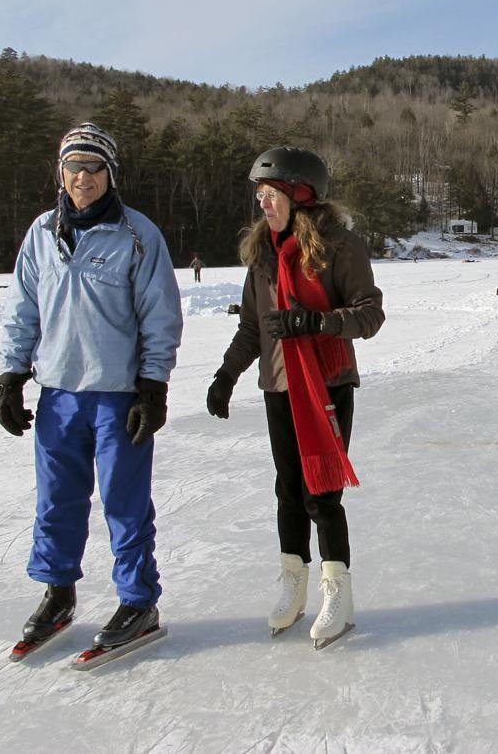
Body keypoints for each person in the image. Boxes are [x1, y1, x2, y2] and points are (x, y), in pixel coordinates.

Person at [0, 122, 183, 654]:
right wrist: (11, 374)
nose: (83, 177)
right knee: (56, 500)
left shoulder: (138, 235)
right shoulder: (40, 233)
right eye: (73, 167)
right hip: (58, 395)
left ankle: (138, 600)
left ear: (110, 174)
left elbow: (160, 315)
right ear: (60, 173)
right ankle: (59, 593)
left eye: (93, 167)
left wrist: (153, 385)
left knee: (124, 503)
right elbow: (22, 310)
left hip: (118, 395)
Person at [205, 147, 384, 649]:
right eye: (259, 195)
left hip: (327, 384)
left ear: (300, 197)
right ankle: (293, 587)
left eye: (271, 194)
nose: (262, 203)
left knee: (321, 495)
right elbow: (251, 327)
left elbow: (369, 315)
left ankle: (337, 596)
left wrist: (317, 322)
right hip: (278, 386)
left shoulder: (339, 247)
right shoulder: (263, 255)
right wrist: (226, 375)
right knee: (287, 489)